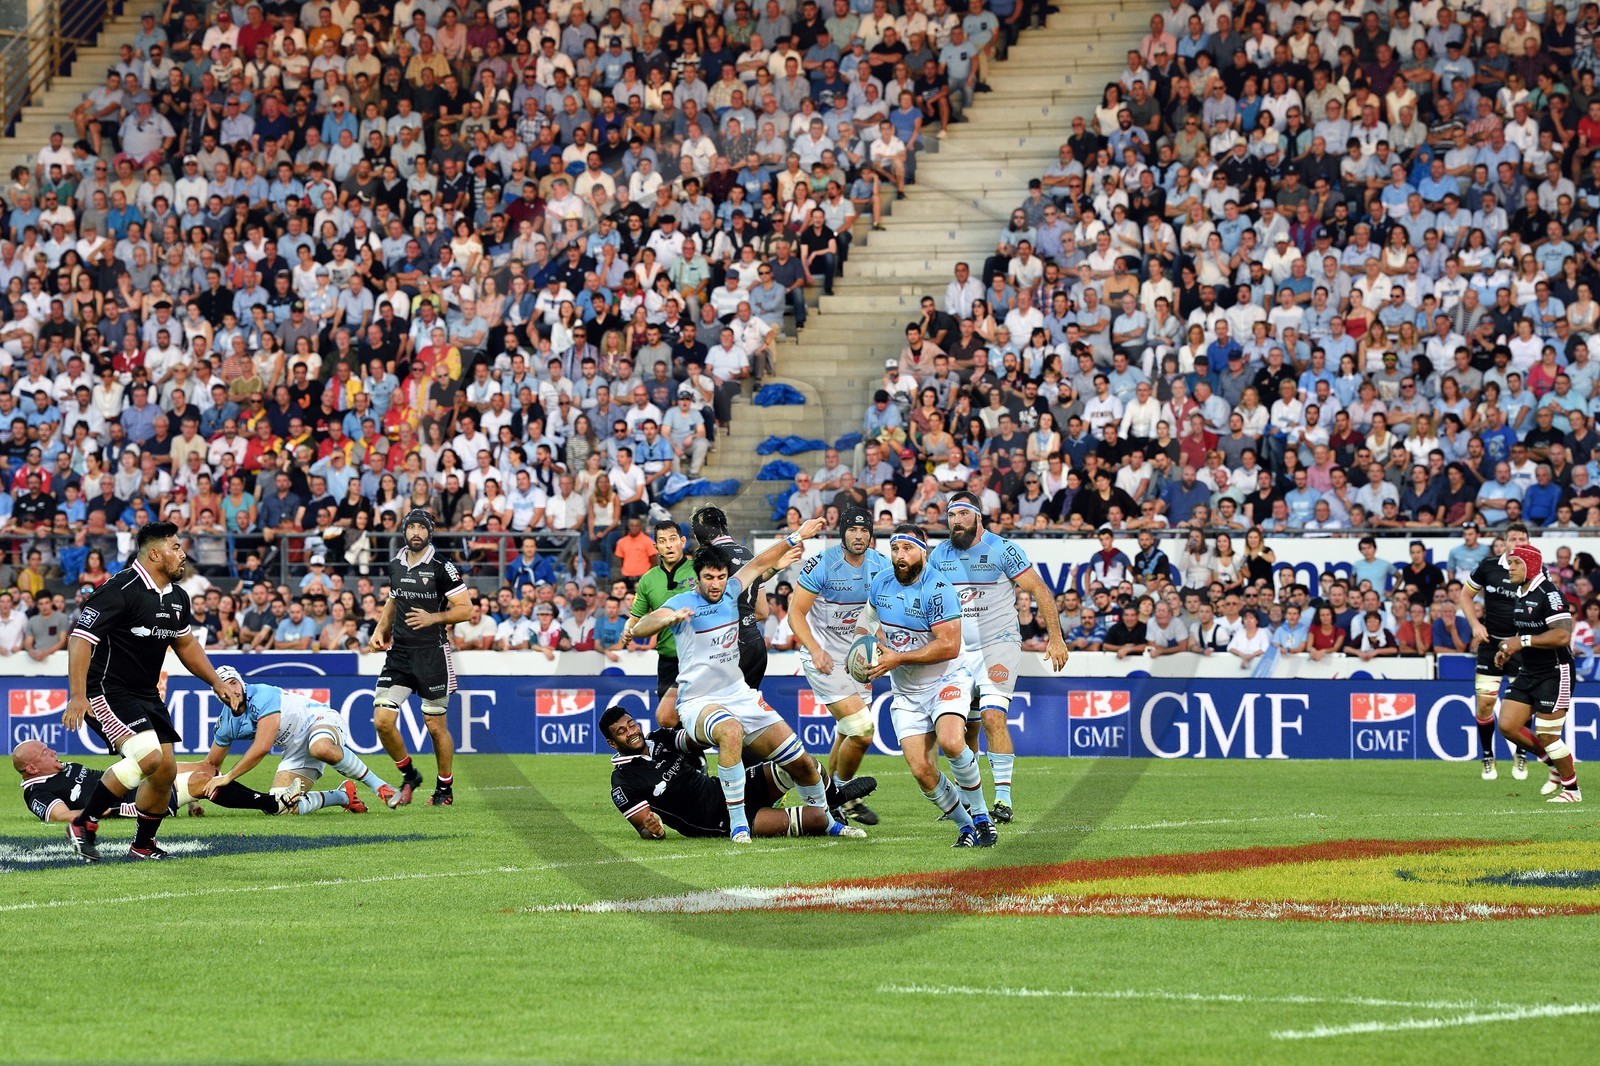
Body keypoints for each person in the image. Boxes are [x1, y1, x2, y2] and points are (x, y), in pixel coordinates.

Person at [630, 519, 846, 842]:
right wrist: (668, 617)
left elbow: (760, 562)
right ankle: (738, 824)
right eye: (709, 578)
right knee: (729, 731)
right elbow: (640, 627)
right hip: (698, 702)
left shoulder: (732, 589)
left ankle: (826, 820)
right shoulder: (683, 603)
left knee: (800, 762)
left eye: (720, 577)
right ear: (697, 579)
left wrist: (797, 535)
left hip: (739, 695)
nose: (716, 584)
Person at [61, 520, 233, 861]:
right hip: (106, 690)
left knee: (166, 770)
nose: (183, 554)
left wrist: (216, 681)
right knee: (149, 759)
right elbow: (80, 638)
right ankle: (84, 823)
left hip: (145, 693)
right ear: (155, 554)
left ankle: (142, 845)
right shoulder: (119, 589)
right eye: (176, 548)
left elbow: (185, 644)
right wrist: (78, 695)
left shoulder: (178, 597)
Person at [929, 490, 1068, 823]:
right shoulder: (938, 555)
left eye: (963, 514)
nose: (956, 522)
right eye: (951, 516)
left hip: (998, 644)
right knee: (961, 729)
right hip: (957, 652)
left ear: (978, 516)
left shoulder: (1002, 549)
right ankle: (967, 799)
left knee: (993, 718)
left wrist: (1057, 638)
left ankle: (1003, 800)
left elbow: (1040, 590)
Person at [860, 522, 996, 847]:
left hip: (946, 678)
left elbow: (948, 646)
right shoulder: (880, 582)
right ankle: (966, 828)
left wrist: (897, 658)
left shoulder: (938, 588)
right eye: (894, 549)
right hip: (906, 692)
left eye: (906, 549)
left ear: (923, 551)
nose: (899, 556)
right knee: (921, 771)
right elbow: (865, 624)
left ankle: (981, 817)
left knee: (951, 742)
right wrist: (870, 649)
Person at [601, 712, 872, 839]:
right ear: (613, 743)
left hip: (727, 789)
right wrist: (653, 829)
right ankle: (830, 808)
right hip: (713, 819)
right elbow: (643, 827)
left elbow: (696, 740)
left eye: (631, 724)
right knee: (816, 819)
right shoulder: (623, 781)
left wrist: (715, 725)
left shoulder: (660, 738)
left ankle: (835, 797)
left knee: (802, 763)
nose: (631, 731)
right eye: (622, 731)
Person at [787, 506, 888, 825]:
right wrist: (815, 650)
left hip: (860, 658)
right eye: (852, 530)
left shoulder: (881, 565)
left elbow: (879, 612)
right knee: (861, 729)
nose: (859, 536)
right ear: (841, 533)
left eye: (864, 530)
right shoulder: (822, 565)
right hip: (825, 659)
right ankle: (845, 795)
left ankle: (828, 800)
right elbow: (795, 614)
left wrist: (883, 645)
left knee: (849, 731)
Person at [367, 508, 473, 806]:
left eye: (421, 528)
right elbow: (393, 598)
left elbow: (466, 609)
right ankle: (410, 774)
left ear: (430, 532)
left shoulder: (442, 567)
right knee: (382, 721)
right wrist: (380, 630)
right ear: (404, 531)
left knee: (435, 726)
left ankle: (444, 788)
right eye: (411, 527)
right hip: (399, 654)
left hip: (432, 655)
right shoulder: (396, 564)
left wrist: (433, 618)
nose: (416, 532)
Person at [205, 666, 398, 813]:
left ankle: (380, 786)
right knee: (280, 806)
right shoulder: (226, 724)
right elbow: (210, 765)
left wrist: (228, 777)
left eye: (234, 682)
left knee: (320, 748)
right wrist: (195, 796)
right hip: (295, 747)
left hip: (317, 719)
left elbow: (262, 747)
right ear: (218, 694)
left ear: (241, 683)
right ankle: (343, 796)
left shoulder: (261, 695)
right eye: (225, 686)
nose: (232, 689)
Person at [13, 738, 289, 822]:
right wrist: (108, 812)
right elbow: (61, 816)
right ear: (33, 768)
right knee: (200, 782)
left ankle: (271, 803)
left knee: (207, 772)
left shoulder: (62, 768)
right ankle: (272, 804)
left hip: (134, 779)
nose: (53, 751)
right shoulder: (36, 793)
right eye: (45, 753)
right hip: (133, 800)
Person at [1493, 545, 1580, 803]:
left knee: (1548, 735)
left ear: (1530, 565)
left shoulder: (1549, 594)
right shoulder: (1520, 593)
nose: (1510, 568)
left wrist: (1523, 642)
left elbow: (1563, 635)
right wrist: (1509, 650)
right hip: (1529, 670)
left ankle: (1572, 790)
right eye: (1510, 563)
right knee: (1508, 725)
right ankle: (1552, 765)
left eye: (1516, 563)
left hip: (1555, 672)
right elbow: (1526, 633)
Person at [1460, 522, 1533, 782]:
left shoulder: (1536, 571)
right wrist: (1474, 624)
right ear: (1505, 542)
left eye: (1522, 538)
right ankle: (1488, 756)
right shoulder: (1488, 566)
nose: (1518, 542)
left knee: (1524, 705)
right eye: (1513, 538)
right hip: (1491, 644)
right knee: (1485, 703)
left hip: (1522, 647)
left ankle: (1522, 753)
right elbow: (1465, 596)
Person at [620, 520, 696, 726]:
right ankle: (685, 759)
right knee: (668, 723)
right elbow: (635, 617)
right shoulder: (648, 579)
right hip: (668, 660)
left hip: (698, 659)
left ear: (682, 542)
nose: (668, 545)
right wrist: (627, 630)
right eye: (662, 541)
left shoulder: (699, 570)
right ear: (656, 547)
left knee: (693, 718)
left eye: (673, 540)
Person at [690, 505, 768, 689]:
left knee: (717, 710)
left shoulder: (710, 558)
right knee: (745, 710)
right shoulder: (750, 556)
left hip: (728, 647)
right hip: (755, 645)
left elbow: (702, 609)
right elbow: (763, 612)